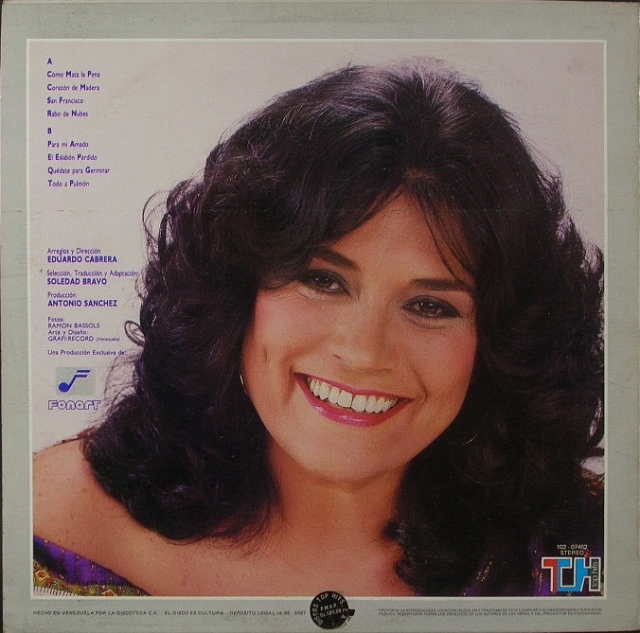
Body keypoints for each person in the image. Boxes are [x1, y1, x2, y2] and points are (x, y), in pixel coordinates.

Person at [33, 58, 604, 597]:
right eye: (324, 281)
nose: (362, 352)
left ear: (501, 343)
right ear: (236, 293)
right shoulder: (51, 523)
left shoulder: (585, 546)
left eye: (431, 306)